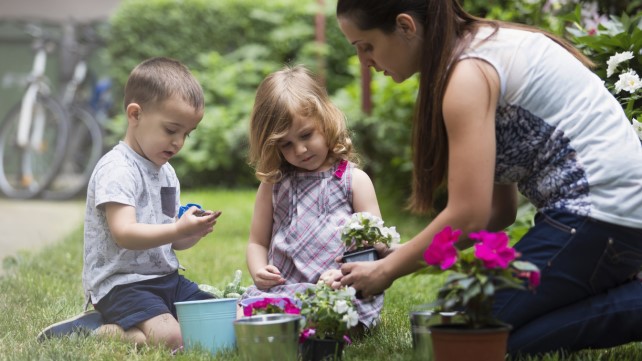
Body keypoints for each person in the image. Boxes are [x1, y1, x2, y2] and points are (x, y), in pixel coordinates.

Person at [334, 0, 642, 356]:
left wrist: (387, 270)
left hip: (599, 214)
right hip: (608, 215)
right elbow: (498, 213)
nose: (364, 62)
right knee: (474, 333)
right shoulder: (481, 48)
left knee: (471, 338)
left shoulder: (467, 75)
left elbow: (469, 216)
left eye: (366, 46)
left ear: (406, 26)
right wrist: (404, 253)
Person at [37, 57, 221, 351]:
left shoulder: (167, 171)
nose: (178, 143)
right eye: (171, 130)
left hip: (164, 279)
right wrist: (176, 230)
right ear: (135, 114)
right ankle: (97, 330)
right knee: (173, 339)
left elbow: (166, 239)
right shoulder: (117, 169)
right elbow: (125, 233)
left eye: (186, 134)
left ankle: (135, 330)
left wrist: (190, 233)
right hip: (121, 285)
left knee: (218, 320)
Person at [241, 64, 384, 331]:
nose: (301, 149)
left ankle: (315, 323)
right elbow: (257, 242)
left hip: (340, 289)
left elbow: (375, 246)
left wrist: (344, 275)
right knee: (242, 313)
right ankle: (291, 320)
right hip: (286, 288)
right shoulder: (274, 185)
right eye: (286, 144)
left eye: (306, 135)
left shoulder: (353, 180)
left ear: (326, 119)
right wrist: (259, 271)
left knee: (326, 316)